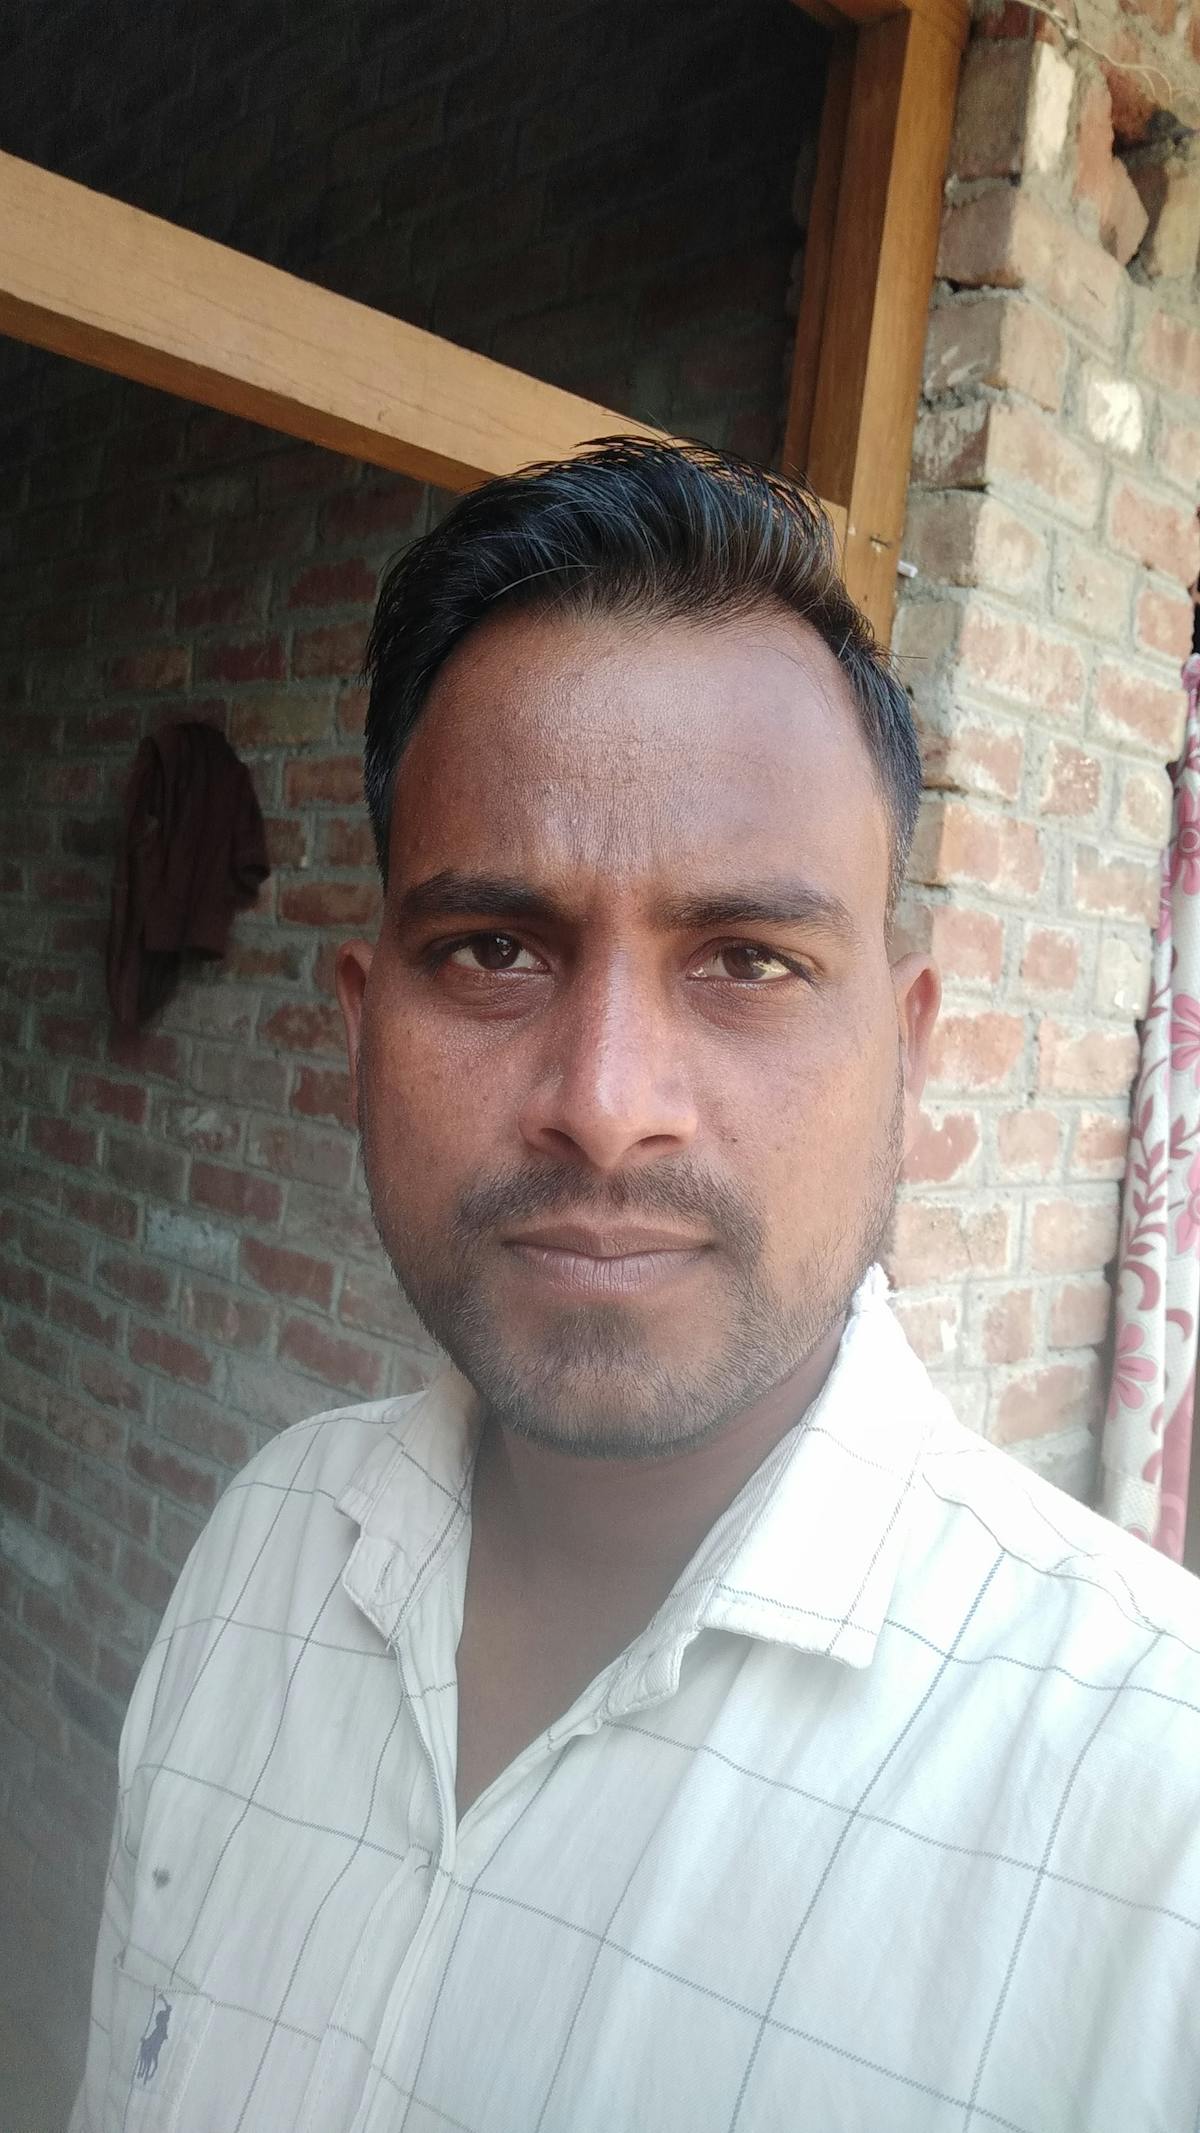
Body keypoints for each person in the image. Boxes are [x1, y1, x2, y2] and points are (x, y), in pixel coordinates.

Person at [72, 440, 1200, 2133]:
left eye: (747, 961)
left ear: (906, 1056)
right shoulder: (260, 1555)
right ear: (359, 1027)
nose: (605, 1100)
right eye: (495, 949)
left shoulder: (1149, 1828)